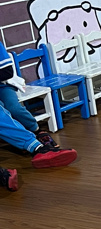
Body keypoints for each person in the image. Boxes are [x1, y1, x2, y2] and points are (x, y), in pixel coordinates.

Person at [0, 43, 78, 191]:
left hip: (3, 84)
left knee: (14, 108)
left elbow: (6, 72)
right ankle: (35, 147)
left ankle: (37, 132)